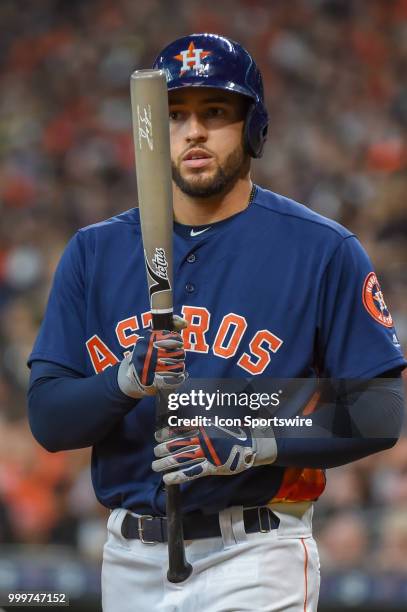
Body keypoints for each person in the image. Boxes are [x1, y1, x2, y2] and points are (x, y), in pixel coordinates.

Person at [27, 34, 406, 612]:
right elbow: (50, 418)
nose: (194, 131)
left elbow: (381, 408)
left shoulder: (321, 249)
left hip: (254, 554)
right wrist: (124, 382)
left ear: (253, 128)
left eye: (216, 112)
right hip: (128, 558)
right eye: (174, 115)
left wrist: (254, 437)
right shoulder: (94, 251)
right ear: (152, 134)